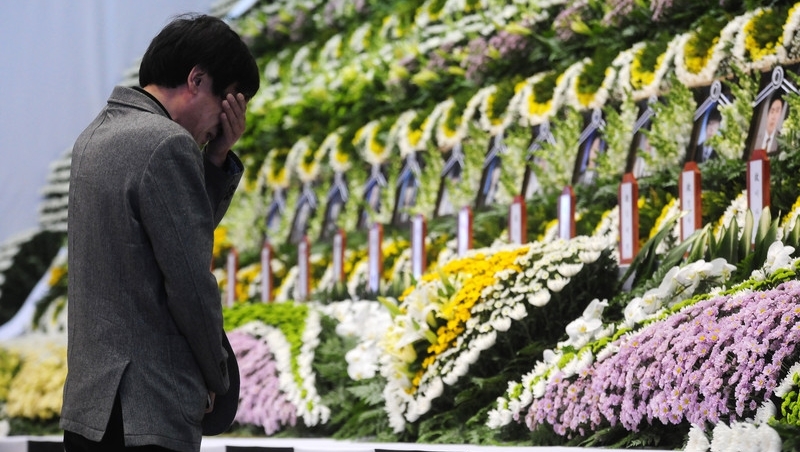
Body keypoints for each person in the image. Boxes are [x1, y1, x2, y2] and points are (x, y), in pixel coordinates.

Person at [61, 14, 259, 452]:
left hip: (90, 410)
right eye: (228, 103)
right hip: (147, 411)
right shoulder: (165, 143)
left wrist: (216, 157)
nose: (224, 124)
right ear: (196, 78)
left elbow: (170, 231)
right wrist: (216, 375)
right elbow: (189, 282)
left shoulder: (94, 137)